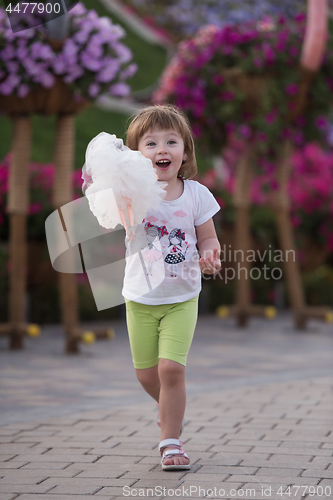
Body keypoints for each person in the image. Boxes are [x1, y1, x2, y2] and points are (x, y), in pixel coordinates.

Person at [121, 104, 221, 471]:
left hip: (182, 298)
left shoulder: (196, 195)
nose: (162, 149)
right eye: (150, 143)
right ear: (136, 158)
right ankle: (170, 410)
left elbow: (208, 239)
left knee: (170, 370)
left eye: (171, 141)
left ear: (185, 152)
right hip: (140, 299)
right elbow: (103, 221)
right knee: (146, 374)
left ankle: (170, 441)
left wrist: (211, 256)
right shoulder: (131, 195)